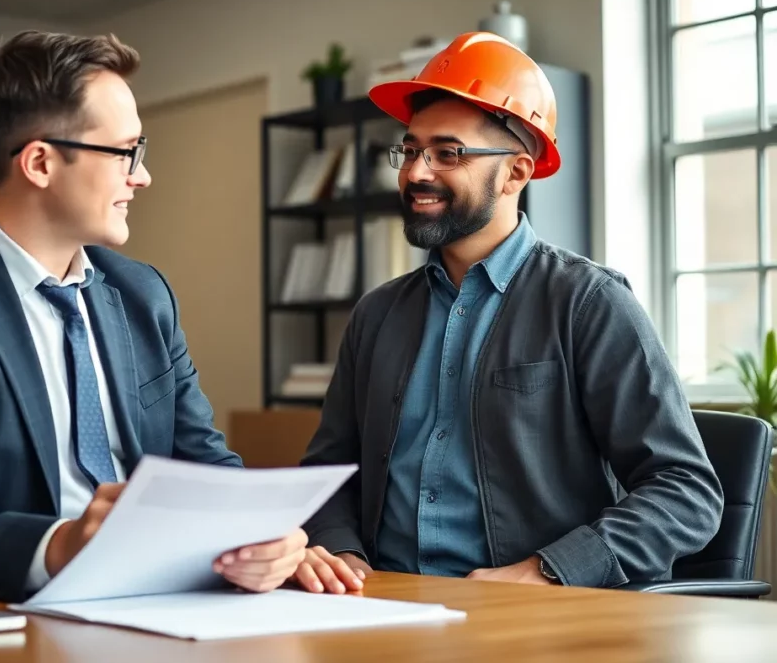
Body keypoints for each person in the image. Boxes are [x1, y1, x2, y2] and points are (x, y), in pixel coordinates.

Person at [0, 30, 307, 603]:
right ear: (40, 162)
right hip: (19, 613)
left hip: (174, 602)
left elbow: (208, 470)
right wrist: (61, 545)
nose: (142, 176)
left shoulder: (142, 293)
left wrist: (266, 538)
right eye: (127, 152)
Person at [290, 32, 724, 593]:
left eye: (448, 153)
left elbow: (685, 489)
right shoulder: (377, 315)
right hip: (380, 601)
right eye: (411, 149)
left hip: (533, 616)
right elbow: (329, 474)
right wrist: (341, 552)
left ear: (517, 173)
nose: (416, 172)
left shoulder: (589, 304)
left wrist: (549, 572)